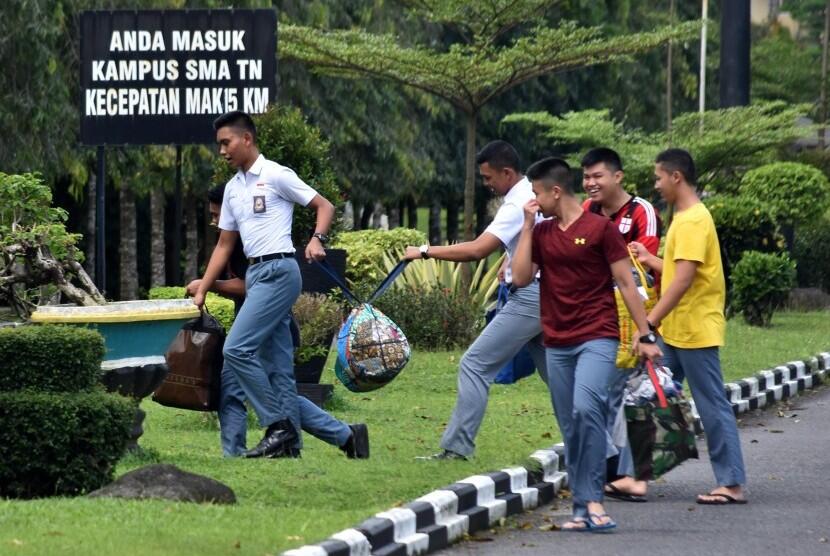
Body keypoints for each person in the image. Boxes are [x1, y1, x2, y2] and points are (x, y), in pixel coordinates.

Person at [511, 157, 661, 531]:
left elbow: (627, 284)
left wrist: (645, 335)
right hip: (557, 341)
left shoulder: (600, 229)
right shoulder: (543, 233)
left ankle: (593, 500)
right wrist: (528, 227)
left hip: (597, 336)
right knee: (571, 425)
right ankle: (581, 506)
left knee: (586, 410)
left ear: (555, 191)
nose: (533, 199)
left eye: (536, 193)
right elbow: (520, 277)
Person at [193, 110, 339, 459]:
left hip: (279, 270)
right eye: (219, 145)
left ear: (246, 139)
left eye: (226, 143)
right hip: (256, 274)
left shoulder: (275, 175)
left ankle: (278, 426)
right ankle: (292, 448)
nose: (222, 151)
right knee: (277, 369)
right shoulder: (231, 189)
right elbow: (225, 244)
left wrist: (317, 238)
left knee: (236, 350)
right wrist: (203, 288)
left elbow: (324, 205)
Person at [186, 184, 368, 459]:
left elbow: (252, 287)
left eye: (217, 215)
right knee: (249, 389)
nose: (215, 221)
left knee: (255, 389)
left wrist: (209, 285)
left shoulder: (250, 242)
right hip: (257, 321)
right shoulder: (233, 242)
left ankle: (260, 446)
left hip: (264, 322)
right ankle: (342, 436)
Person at [402, 140, 547, 460]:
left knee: (474, 364)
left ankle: (456, 448)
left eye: (488, 178)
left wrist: (424, 252)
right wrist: (511, 260)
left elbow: (477, 249)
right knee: (560, 377)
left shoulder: (515, 204)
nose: (486, 184)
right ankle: (602, 443)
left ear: (507, 173)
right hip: (545, 293)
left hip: (531, 298)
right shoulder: (529, 195)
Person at [629, 148, 747, 505]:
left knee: (711, 405)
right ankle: (636, 479)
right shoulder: (683, 216)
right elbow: (682, 271)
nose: (656, 184)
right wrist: (651, 259)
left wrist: (648, 322)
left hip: (695, 330)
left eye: (658, 177)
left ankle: (732, 484)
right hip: (679, 330)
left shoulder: (694, 219)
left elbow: (683, 282)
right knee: (649, 397)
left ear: (675, 177)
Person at [580, 147, 662, 502]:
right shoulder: (587, 210)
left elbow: (640, 268)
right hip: (596, 312)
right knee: (607, 391)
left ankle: (628, 473)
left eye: (597, 176)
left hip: (634, 315)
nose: (590, 184)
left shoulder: (641, 212)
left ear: (618, 176)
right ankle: (617, 469)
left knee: (625, 390)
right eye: (585, 177)